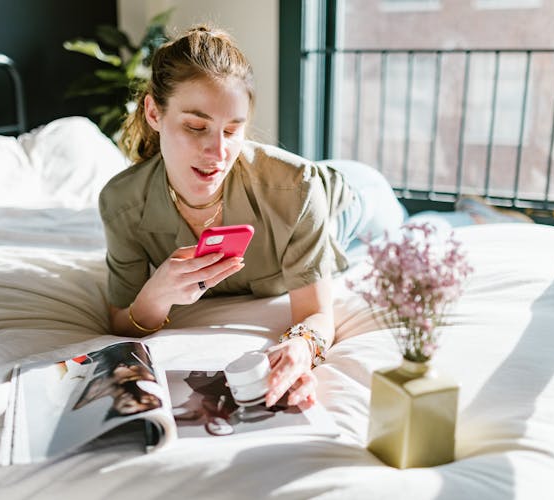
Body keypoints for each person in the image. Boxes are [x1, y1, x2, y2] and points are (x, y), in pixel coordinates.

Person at [98, 25, 531, 411]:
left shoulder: (296, 188)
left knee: (409, 232)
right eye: (196, 127)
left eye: (232, 130)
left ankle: (470, 216)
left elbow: (316, 314)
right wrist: (156, 293)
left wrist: (300, 349)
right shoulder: (122, 203)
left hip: (352, 199)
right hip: (301, 203)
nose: (218, 152)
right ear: (155, 113)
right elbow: (121, 319)